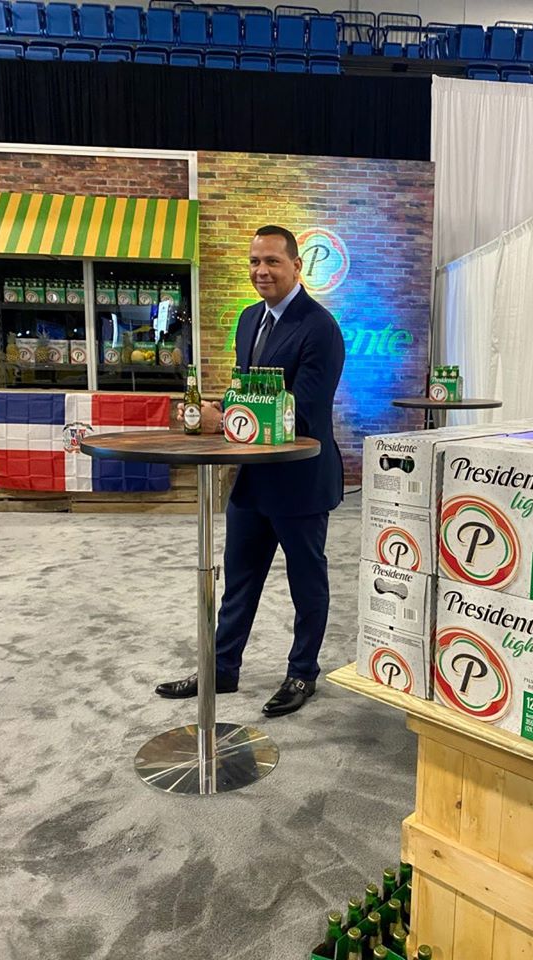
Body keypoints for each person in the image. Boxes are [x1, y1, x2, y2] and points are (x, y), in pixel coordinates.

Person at [155, 225, 346, 717]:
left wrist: (229, 421)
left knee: (307, 584)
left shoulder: (320, 328)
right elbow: (250, 389)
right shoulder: (248, 320)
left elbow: (302, 411)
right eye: (255, 262)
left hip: (301, 480)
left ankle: (302, 673)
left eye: (272, 261)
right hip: (253, 477)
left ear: (296, 266)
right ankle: (222, 668)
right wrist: (221, 408)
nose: (262, 271)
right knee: (238, 580)